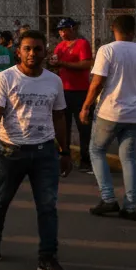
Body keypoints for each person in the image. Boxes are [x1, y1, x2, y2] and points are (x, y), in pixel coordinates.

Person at [0, 30, 72, 270]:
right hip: (11, 151)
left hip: (45, 152)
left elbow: (59, 116)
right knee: (1, 201)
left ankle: (47, 257)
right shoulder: (5, 78)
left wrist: (65, 151)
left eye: (37, 49)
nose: (32, 53)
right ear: (18, 52)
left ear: (45, 52)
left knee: (47, 207)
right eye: (27, 49)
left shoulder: (53, 81)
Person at [80, 15, 136, 220]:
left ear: (113, 28)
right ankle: (130, 207)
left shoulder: (107, 50)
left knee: (96, 150)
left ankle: (108, 198)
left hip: (110, 111)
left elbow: (97, 82)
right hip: (135, 113)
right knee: (128, 158)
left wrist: (86, 106)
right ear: (134, 30)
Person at [49, 18, 94, 174]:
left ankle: (85, 160)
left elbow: (85, 64)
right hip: (64, 91)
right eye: (60, 30)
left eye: (64, 29)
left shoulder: (82, 44)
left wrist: (63, 64)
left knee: (84, 127)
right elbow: (56, 62)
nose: (62, 33)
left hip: (80, 91)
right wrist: (53, 63)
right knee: (63, 126)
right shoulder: (60, 46)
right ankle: (64, 157)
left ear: (72, 29)